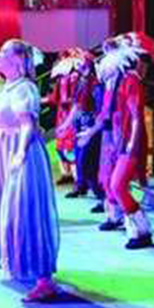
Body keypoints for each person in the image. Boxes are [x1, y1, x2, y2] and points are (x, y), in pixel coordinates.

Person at [0, 39, 61, 303]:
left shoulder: (25, 88)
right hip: (5, 151)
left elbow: (28, 125)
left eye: (3, 52)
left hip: (20, 153)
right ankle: (19, 262)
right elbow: (5, 125)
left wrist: (21, 152)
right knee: (5, 209)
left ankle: (45, 280)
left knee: (26, 212)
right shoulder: (8, 87)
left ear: (17, 59)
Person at [80, 33, 154, 248]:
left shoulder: (130, 80)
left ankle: (142, 231)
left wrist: (132, 144)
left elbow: (137, 116)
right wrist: (89, 133)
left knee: (118, 185)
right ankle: (120, 219)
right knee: (108, 182)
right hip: (114, 139)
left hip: (128, 140)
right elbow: (104, 115)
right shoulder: (112, 84)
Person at [56, 50, 104, 201]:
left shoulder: (96, 84)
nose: (78, 64)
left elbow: (99, 110)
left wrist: (92, 129)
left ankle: (100, 193)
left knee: (88, 160)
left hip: (90, 124)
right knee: (79, 158)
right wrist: (65, 124)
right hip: (80, 123)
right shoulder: (81, 81)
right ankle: (81, 186)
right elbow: (76, 106)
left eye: (82, 61)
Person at [45, 51, 79, 185]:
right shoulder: (61, 78)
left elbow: (76, 98)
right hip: (63, 115)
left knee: (71, 144)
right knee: (62, 144)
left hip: (72, 114)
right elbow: (55, 97)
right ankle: (66, 173)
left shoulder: (75, 77)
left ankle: (77, 177)